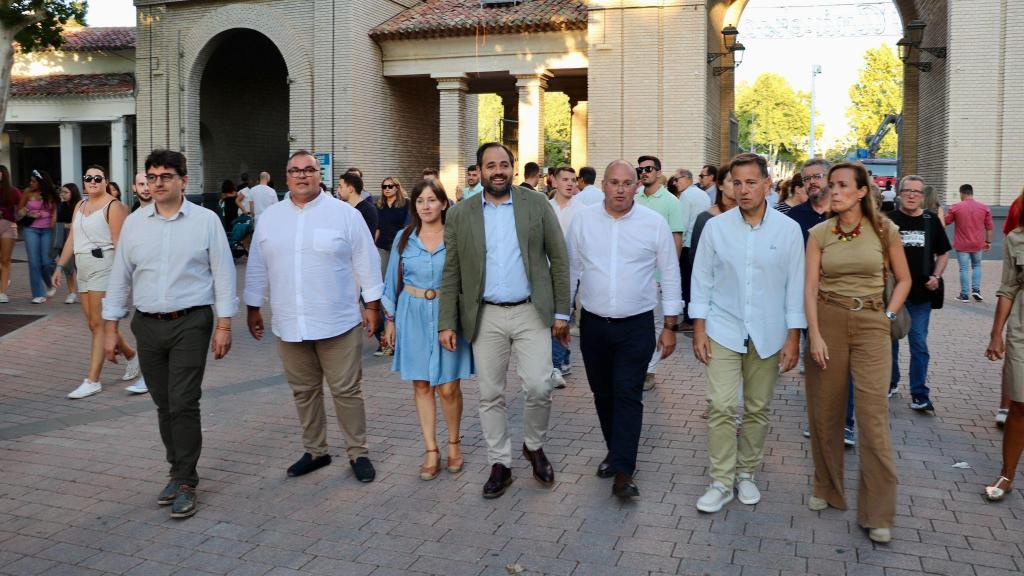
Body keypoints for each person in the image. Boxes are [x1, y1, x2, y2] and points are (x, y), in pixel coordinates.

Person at [101, 149, 236, 519]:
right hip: (146, 324)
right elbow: (119, 277)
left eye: (166, 176)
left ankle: (186, 479)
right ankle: (176, 471)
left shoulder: (205, 221)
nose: (157, 183)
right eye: (152, 176)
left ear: (183, 180)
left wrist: (224, 325)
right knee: (164, 403)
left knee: (183, 400)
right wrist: (110, 327)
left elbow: (223, 273)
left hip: (191, 322)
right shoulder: (135, 223)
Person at [438, 142, 570, 499]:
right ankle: (501, 463)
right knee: (490, 393)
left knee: (539, 386)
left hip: (531, 311)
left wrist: (561, 312)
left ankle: (534, 445)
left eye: (503, 164)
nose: (497, 170)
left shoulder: (536, 204)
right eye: (489, 165)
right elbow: (451, 272)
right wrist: (446, 322)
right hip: (485, 315)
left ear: (513, 168)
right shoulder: (461, 214)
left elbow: (558, 259)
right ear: (479, 171)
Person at [245, 150, 382, 484]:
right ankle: (316, 451)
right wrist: (252, 308)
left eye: (309, 170)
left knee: (347, 391)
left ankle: (358, 452)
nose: (302, 176)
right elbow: (257, 265)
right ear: (286, 176)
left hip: (337, 321)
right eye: (295, 171)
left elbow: (366, 259)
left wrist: (373, 307)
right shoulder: (271, 218)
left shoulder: (344, 215)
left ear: (320, 175)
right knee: (304, 391)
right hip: (290, 323)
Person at [691, 153, 806, 514]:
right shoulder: (716, 228)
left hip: (769, 334)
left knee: (757, 407)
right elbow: (702, 280)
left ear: (768, 185)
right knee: (722, 405)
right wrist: (699, 328)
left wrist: (793, 337)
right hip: (723, 328)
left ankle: (746, 473)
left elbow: (794, 286)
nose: (743, 190)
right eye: (736, 182)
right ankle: (722, 480)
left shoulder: (787, 231)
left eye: (751, 182)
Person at [804, 161, 911, 544]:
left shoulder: (884, 229)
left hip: (871, 323)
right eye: (830, 184)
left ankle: (878, 511)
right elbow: (809, 287)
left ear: (862, 191)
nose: (833, 190)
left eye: (842, 185)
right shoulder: (819, 233)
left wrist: (888, 315)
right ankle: (827, 488)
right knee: (825, 410)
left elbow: (904, 279)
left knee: (872, 417)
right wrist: (814, 334)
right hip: (828, 320)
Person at [568, 159, 680, 498]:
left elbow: (670, 273)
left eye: (627, 183)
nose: (620, 189)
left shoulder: (654, 223)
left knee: (628, 395)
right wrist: (560, 316)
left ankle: (624, 471)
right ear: (603, 185)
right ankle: (615, 452)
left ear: (637, 186)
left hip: (637, 325)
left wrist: (671, 324)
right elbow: (571, 269)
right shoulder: (583, 221)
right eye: (614, 182)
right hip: (594, 325)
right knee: (603, 393)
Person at [382, 179, 472, 480]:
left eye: (432, 200)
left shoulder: (456, 237)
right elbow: (390, 283)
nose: (426, 206)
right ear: (414, 206)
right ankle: (431, 449)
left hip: (447, 316)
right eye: (420, 201)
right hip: (413, 314)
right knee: (421, 385)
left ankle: (454, 443)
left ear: (444, 204)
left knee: (448, 387)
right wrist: (390, 321)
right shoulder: (403, 239)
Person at [53, 165, 145, 398]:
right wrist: (60, 266)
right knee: (95, 324)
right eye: (88, 178)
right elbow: (73, 237)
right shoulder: (80, 205)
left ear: (105, 181)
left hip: (104, 266)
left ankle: (92, 380)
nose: (92, 181)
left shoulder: (114, 207)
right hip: (83, 266)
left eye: (97, 178)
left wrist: (120, 279)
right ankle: (132, 355)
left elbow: (119, 244)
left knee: (99, 326)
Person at [887, 176, 951, 412]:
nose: (912, 195)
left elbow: (944, 253)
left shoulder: (930, 220)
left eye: (916, 192)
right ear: (899, 194)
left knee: (919, 344)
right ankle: (890, 382)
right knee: (889, 342)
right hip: (893, 295)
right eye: (907, 191)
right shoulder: (889, 220)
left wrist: (936, 276)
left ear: (923, 196)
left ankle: (919, 393)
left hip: (921, 295)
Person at [983, 224, 1024, 502]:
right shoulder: (1016, 238)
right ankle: (1007, 474)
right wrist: (996, 332)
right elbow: (1009, 287)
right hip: (1022, 332)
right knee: (1020, 404)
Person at [635, 155, 684, 391]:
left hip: (656, 276)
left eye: (648, 169)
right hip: (634, 275)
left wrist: (668, 275)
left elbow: (676, 238)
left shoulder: (671, 202)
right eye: (640, 169)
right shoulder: (634, 199)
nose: (644, 172)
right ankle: (638, 366)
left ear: (658, 172)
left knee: (655, 324)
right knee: (637, 324)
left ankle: (650, 370)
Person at [547, 166, 582, 388]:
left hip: (573, 272)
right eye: (565, 179)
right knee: (555, 317)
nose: (570, 184)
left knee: (563, 314)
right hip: (546, 271)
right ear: (554, 182)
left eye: (573, 180)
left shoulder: (583, 210)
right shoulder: (545, 208)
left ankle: (556, 365)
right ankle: (561, 360)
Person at [374, 176, 410, 356]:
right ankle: (385, 338)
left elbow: (408, 226)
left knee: (398, 287)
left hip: (399, 249)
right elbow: (377, 227)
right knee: (384, 290)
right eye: (384, 186)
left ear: (397, 187)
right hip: (382, 249)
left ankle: (398, 333)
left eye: (390, 186)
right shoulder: (379, 205)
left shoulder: (406, 205)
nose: (387, 189)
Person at [945, 183, 992, 302]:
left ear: (962, 193)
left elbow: (946, 221)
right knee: (977, 266)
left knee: (964, 269)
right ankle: (976, 290)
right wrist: (988, 241)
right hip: (978, 243)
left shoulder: (955, 207)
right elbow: (989, 227)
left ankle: (964, 295)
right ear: (971, 193)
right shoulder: (984, 208)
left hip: (962, 244)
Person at [17, 169, 58, 303]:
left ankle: (50, 282)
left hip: (47, 230)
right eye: (31, 180)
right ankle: (38, 294)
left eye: (34, 181)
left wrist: (53, 220)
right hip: (30, 230)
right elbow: (18, 211)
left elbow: (55, 209)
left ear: (41, 182)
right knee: (34, 262)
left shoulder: (51, 193)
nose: (31, 183)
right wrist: (28, 213)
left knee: (46, 262)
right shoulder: (27, 192)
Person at [677, 168, 711, 331]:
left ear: (686, 178)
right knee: (696, 282)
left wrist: (678, 247)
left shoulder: (686, 195)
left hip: (688, 245)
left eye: (677, 179)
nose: (675, 183)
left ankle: (688, 319)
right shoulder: (702, 194)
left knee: (686, 283)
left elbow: (681, 223)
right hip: (701, 242)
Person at [53, 183, 81, 304]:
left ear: (73, 193)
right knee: (68, 268)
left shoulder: (81, 205)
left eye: (66, 192)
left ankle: (87, 292)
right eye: (62, 192)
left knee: (81, 268)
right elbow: (58, 223)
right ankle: (72, 293)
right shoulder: (61, 206)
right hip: (65, 240)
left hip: (80, 240)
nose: (63, 195)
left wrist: (67, 225)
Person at [0, 165, 22, 303]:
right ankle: (4, 280)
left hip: (8, 226)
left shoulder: (13, 191)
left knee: (5, 260)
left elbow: (20, 209)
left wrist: (25, 213)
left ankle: (2, 292)